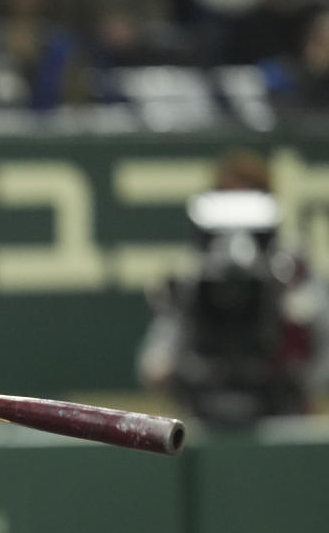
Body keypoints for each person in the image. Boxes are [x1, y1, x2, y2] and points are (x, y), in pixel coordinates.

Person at [136, 149, 329, 427]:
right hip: (204, 419)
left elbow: (320, 353)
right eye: (226, 196)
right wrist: (168, 367)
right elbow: (155, 361)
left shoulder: (291, 269)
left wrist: (295, 376)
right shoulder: (195, 272)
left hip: (283, 416)